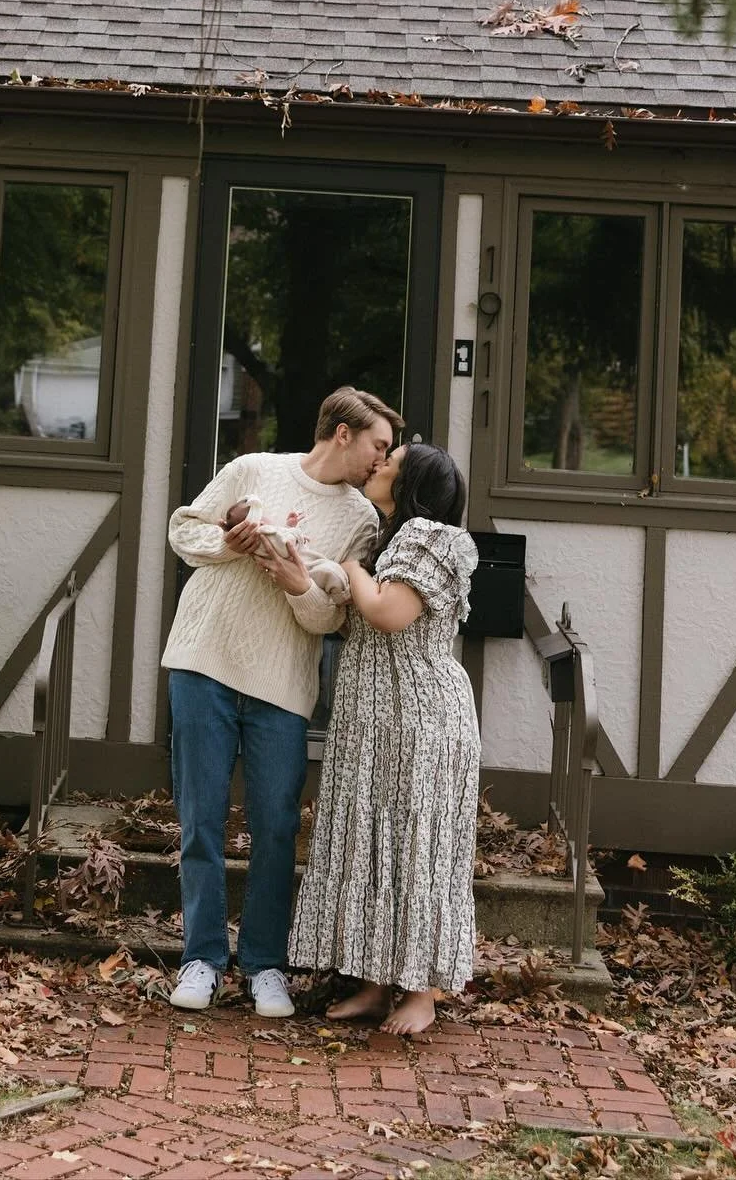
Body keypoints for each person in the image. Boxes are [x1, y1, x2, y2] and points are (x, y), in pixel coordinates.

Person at [161, 386, 402, 1017]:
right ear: (343, 434)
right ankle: (202, 959)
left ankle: (264, 964)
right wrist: (231, 543)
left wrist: (299, 585)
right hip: (203, 661)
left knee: (274, 826)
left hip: (283, 687)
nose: (383, 461)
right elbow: (183, 531)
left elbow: (331, 620)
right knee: (202, 818)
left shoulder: (363, 521)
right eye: (378, 445)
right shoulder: (253, 469)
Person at [280, 442, 479, 1035]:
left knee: (418, 846)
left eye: (391, 462)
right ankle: (371, 982)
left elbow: (389, 613)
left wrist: (350, 571)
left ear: (412, 481)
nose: (379, 465)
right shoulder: (386, 538)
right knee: (370, 843)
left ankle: (421, 991)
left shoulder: (434, 536)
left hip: (419, 719)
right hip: (370, 717)